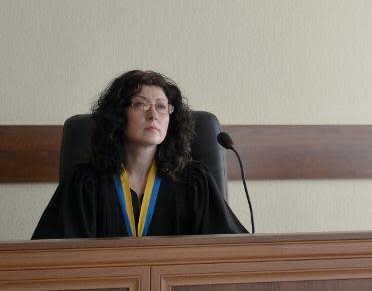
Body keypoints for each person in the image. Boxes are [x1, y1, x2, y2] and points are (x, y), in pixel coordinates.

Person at [32, 70, 248, 239]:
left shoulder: (194, 181)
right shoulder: (84, 184)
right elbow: (51, 258)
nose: (153, 114)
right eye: (140, 104)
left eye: (162, 106)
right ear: (118, 115)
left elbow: (230, 249)